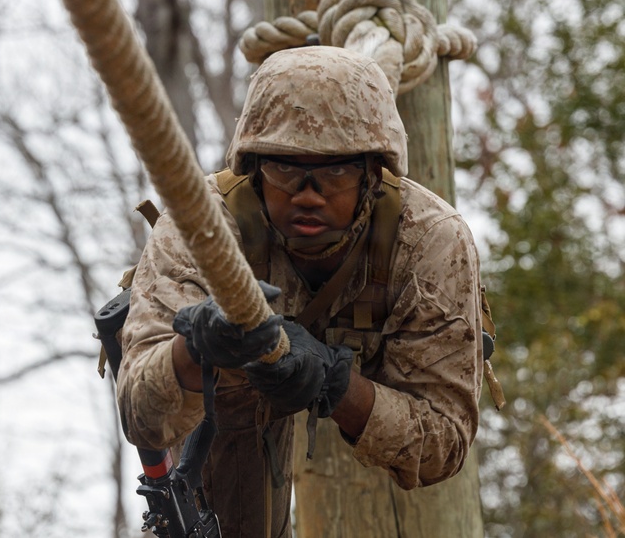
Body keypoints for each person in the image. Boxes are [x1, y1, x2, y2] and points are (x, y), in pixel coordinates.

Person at [116, 46, 485, 537]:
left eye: (334, 171)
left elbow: (442, 443)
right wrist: (196, 351)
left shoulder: (428, 241)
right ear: (254, 168)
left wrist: (335, 385)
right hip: (229, 425)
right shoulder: (201, 227)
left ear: (373, 175)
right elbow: (142, 416)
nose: (307, 193)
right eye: (286, 169)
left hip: (374, 393)